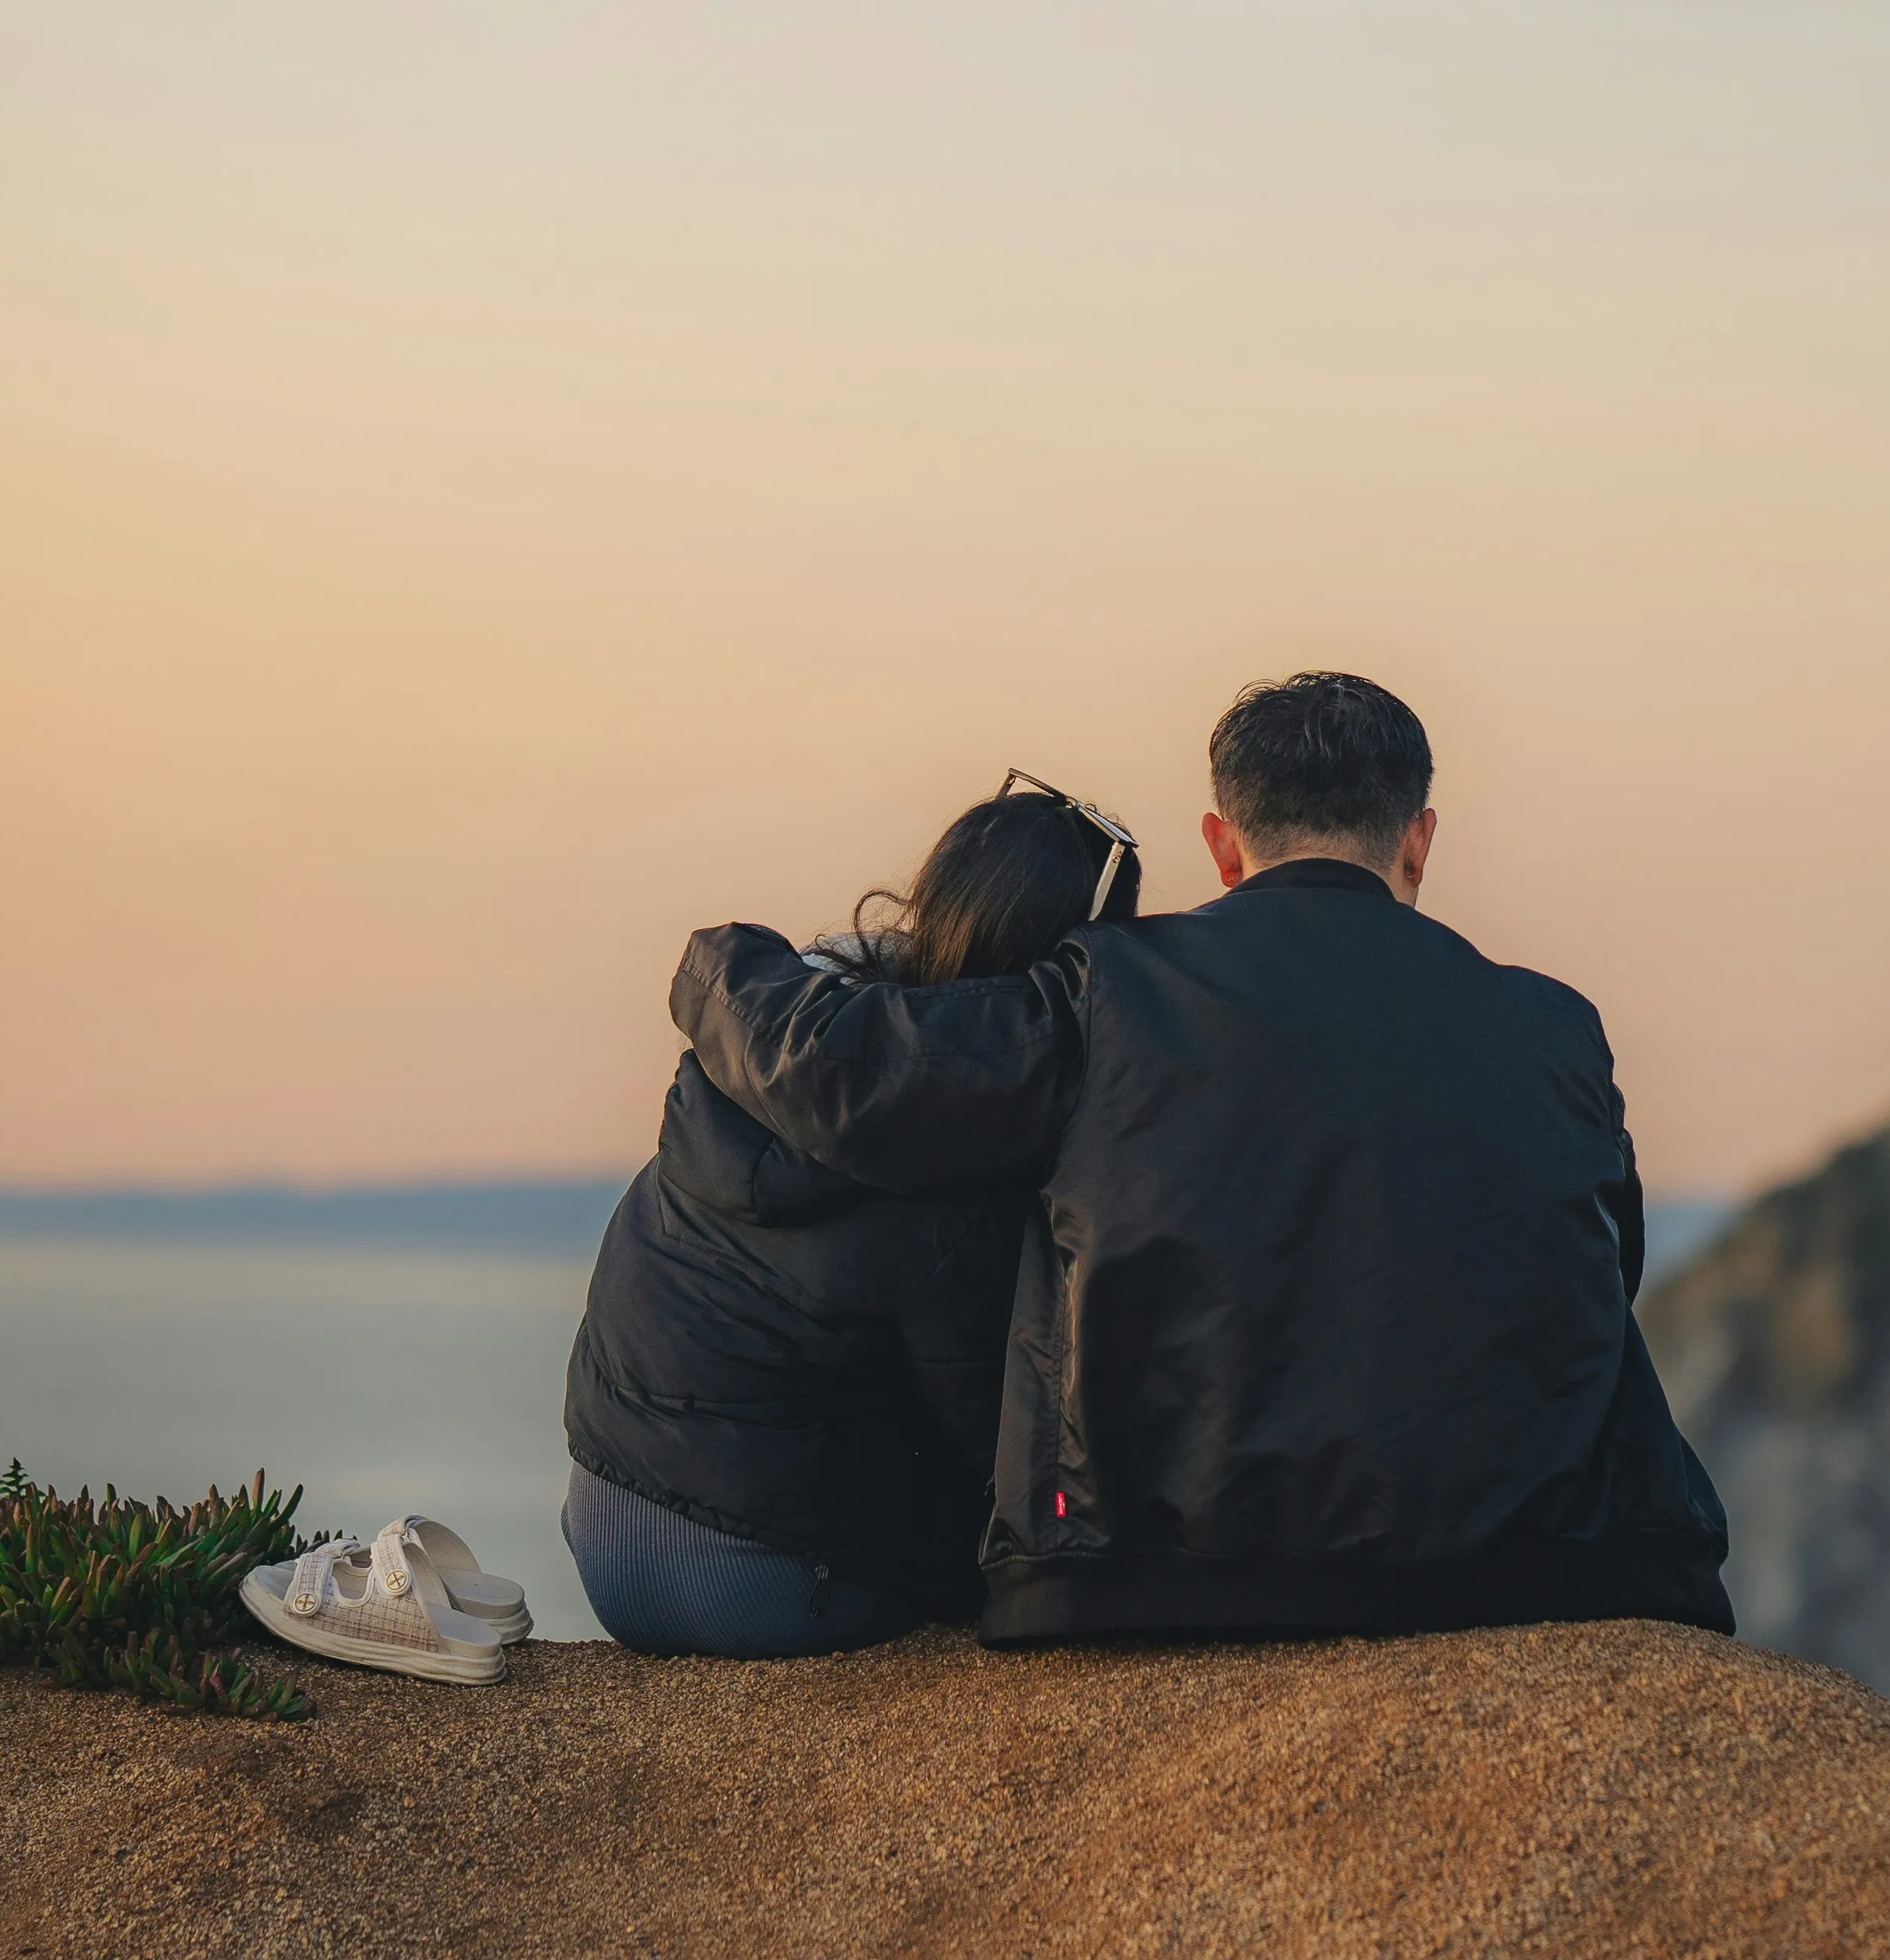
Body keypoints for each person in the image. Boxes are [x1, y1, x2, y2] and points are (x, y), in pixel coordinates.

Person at [670, 672, 1731, 1644]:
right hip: (1545, 1563)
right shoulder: (1558, 1025)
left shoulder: (1109, 993)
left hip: (1159, 1569)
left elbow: (845, 1078)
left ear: (1224, 847)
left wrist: (726, 964)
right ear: (1419, 840)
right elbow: (1607, 1262)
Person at [556, 777, 1140, 1656]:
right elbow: (987, 1450)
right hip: (746, 1582)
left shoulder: (791, 1039)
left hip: (600, 1524)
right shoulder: (960, 1154)